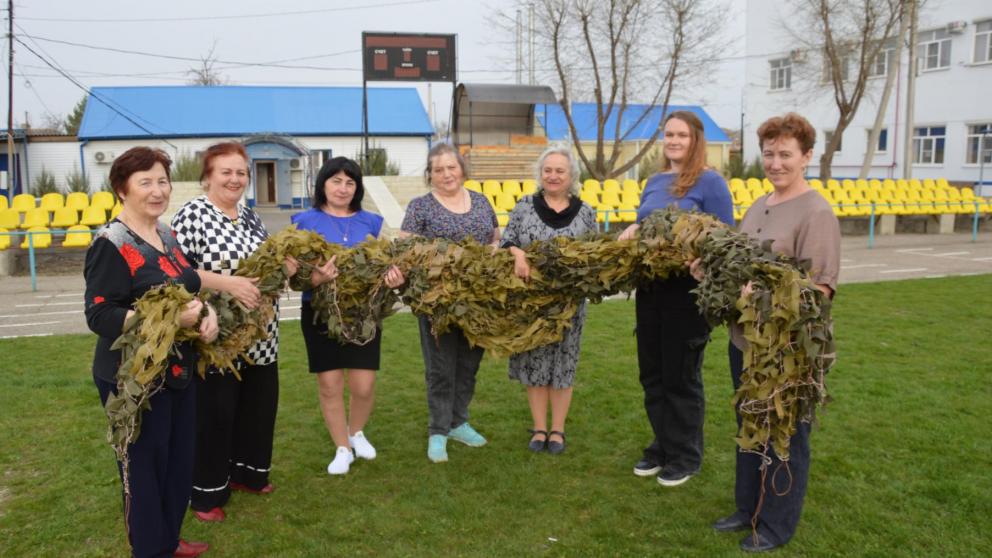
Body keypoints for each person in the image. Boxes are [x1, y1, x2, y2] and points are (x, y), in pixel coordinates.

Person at [698, 113, 840, 552]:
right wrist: (711, 270)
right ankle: (747, 509)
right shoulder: (760, 205)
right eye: (769, 154)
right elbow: (743, 262)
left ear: (807, 156)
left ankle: (776, 524)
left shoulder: (816, 212)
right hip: (746, 341)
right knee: (748, 423)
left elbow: (818, 290)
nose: (775, 163)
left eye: (785, 154)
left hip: (787, 350)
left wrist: (762, 294)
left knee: (783, 433)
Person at [84, 146, 219, 558]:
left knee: (178, 464)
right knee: (143, 471)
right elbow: (100, 314)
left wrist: (207, 313)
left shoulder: (167, 235)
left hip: (176, 372)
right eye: (146, 182)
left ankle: (169, 539)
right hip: (133, 379)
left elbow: (188, 285)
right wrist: (167, 320)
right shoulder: (111, 242)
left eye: (162, 180)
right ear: (122, 189)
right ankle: (150, 548)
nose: (157, 190)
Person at [171, 142, 294, 522]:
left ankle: (249, 474)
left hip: (260, 332)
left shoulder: (251, 216)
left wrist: (283, 270)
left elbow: (261, 266)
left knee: (257, 407)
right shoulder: (192, 215)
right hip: (215, 335)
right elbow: (177, 271)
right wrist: (228, 285)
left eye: (241, 172)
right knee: (216, 414)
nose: (235, 179)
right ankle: (207, 493)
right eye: (226, 171)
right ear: (207, 176)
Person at [617, 110, 733, 487]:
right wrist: (633, 228)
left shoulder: (710, 182)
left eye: (682, 134)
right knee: (652, 373)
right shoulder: (653, 181)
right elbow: (647, 223)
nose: (674, 141)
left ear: (695, 140)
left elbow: (726, 238)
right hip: (651, 289)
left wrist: (703, 260)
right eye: (669, 134)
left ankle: (685, 455)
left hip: (687, 291)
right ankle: (663, 445)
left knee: (681, 375)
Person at [290, 157, 403, 475]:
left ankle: (356, 432)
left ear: (358, 187)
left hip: (363, 313)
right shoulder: (303, 221)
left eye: (349, 182)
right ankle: (342, 447)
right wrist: (315, 280)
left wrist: (394, 277)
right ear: (322, 184)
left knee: (364, 384)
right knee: (329, 383)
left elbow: (389, 264)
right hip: (319, 312)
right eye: (335, 181)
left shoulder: (374, 223)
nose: (342, 188)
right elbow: (293, 276)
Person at [400, 143, 500, 463]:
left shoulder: (482, 202)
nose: (446, 174)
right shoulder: (421, 207)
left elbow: (495, 237)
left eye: (451, 167)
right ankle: (438, 430)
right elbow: (406, 248)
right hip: (437, 305)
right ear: (430, 175)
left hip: (477, 302)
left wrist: (496, 248)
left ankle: (458, 422)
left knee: (469, 365)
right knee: (441, 368)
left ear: (462, 170)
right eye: (439, 169)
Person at [501, 145, 596, 454]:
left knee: (564, 364)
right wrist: (518, 255)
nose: (553, 176)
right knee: (535, 364)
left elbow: (594, 255)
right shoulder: (524, 206)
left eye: (560, 171)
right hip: (531, 302)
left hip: (570, 305)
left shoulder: (586, 212)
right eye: (548, 170)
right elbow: (507, 242)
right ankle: (539, 428)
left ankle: (558, 430)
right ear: (540, 174)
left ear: (571, 176)